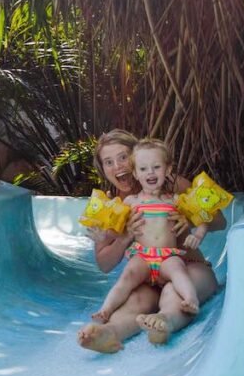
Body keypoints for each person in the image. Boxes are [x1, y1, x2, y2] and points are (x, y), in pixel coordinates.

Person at [76, 130, 225, 353]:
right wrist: (125, 236)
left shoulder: (171, 185)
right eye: (109, 162)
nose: (118, 166)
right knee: (134, 301)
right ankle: (109, 334)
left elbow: (219, 221)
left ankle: (165, 322)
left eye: (123, 157)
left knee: (173, 293)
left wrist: (189, 219)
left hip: (188, 267)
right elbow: (104, 264)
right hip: (148, 276)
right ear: (104, 169)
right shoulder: (113, 205)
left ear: (137, 156)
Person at [90, 138, 206, 324]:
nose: (150, 172)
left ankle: (190, 299)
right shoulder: (129, 202)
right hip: (143, 257)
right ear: (136, 172)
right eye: (109, 162)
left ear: (167, 170)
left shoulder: (175, 198)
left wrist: (195, 230)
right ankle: (106, 310)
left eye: (122, 157)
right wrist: (103, 236)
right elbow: (113, 232)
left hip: (168, 255)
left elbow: (204, 216)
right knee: (126, 278)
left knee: (178, 272)